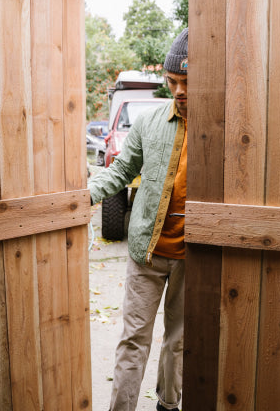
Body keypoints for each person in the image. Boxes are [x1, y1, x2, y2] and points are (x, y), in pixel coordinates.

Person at [89, 28, 189, 411]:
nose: (179, 90)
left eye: (187, 82)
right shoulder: (147, 123)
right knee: (133, 340)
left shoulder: (220, 131)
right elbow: (119, 172)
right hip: (145, 252)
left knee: (178, 342)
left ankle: (168, 405)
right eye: (173, 82)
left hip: (190, 258)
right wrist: (87, 194)